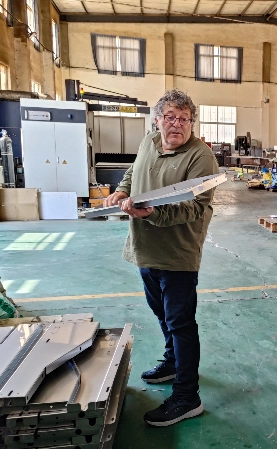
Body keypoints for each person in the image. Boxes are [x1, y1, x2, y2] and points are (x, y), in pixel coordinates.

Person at [104, 89, 219, 427]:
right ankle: (172, 363)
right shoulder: (149, 142)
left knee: (181, 323)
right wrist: (123, 190)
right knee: (162, 314)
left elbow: (195, 207)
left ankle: (187, 397)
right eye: (171, 117)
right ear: (157, 120)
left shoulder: (201, 157)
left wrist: (152, 213)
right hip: (145, 248)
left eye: (185, 119)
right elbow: (133, 172)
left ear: (192, 123)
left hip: (177, 254)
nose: (177, 124)